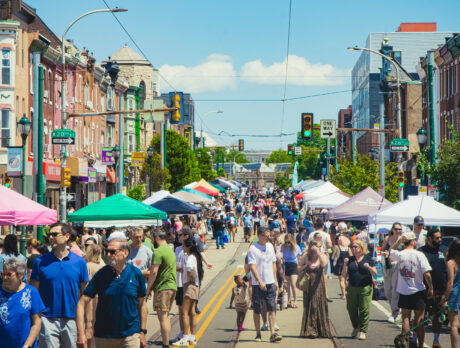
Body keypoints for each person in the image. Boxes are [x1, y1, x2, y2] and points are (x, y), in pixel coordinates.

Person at [76, 238, 147, 348]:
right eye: (107, 251)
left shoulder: (135, 273)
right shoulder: (101, 274)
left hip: (130, 336)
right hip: (104, 337)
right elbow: (81, 303)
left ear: (125, 253)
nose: (108, 255)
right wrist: (81, 333)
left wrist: (142, 331)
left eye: (113, 251)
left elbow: (142, 304)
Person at [30, 222, 89, 348]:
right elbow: (34, 292)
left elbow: (86, 295)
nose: (51, 237)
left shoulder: (79, 262)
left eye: (55, 234)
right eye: (49, 235)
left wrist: (86, 325)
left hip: (72, 318)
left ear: (67, 236)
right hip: (47, 318)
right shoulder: (40, 262)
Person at [388, 232, 433, 348]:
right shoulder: (419, 255)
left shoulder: (401, 254)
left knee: (405, 318)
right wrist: (431, 288)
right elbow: (427, 274)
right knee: (419, 321)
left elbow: (390, 252)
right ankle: (421, 345)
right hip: (418, 290)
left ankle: (406, 344)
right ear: (413, 241)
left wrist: (398, 242)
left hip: (404, 290)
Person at [0, 257, 45, 348]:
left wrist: (27, 345)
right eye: (2, 273)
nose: (4, 277)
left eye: (9, 274)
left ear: (20, 275)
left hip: (24, 344)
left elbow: (37, 322)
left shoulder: (31, 292)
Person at [247, 227, 282, 343]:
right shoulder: (253, 249)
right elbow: (252, 266)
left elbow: (273, 263)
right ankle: (258, 334)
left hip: (270, 282)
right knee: (257, 309)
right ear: (260, 236)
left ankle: (272, 333)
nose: (268, 238)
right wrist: (260, 281)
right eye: (266, 236)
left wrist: (275, 280)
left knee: (272, 308)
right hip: (258, 284)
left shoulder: (270, 246)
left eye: (269, 235)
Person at [146, 229, 177, 348]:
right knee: (166, 316)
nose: (151, 241)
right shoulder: (169, 249)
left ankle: (165, 344)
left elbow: (154, 272)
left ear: (157, 238)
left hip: (163, 287)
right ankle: (166, 342)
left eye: (152, 238)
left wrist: (148, 288)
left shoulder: (158, 251)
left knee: (162, 317)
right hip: (171, 286)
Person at [342, 240, 377, 340]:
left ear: (361, 247)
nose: (354, 249)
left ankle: (363, 330)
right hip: (352, 287)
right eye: (352, 247)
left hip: (365, 287)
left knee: (364, 309)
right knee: (351, 309)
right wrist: (345, 264)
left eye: (356, 247)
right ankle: (356, 327)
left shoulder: (368, 258)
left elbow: (375, 273)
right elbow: (344, 274)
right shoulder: (350, 259)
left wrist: (369, 267)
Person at [418, 228, 447, 348]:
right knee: (420, 317)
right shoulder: (421, 252)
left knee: (437, 318)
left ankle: (436, 340)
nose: (440, 240)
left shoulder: (444, 250)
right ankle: (416, 340)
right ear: (429, 239)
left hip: (440, 290)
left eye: (440, 237)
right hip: (424, 289)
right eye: (437, 238)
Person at [172, 238, 204, 346]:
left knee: (184, 313)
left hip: (189, 285)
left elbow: (189, 269)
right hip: (196, 286)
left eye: (184, 246)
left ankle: (185, 337)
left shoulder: (190, 257)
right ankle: (192, 337)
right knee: (192, 312)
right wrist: (182, 270)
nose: (182, 248)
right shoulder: (195, 257)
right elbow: (189, 269)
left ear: (188, 247)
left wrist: (189, 277)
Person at [298, 240, 332, 338]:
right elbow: (299, 268)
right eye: (316, 246)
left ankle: (319, 329)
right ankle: (310, 329)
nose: (317, 247)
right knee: (310, 305)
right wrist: (306, 265)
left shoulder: (322, 255)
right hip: (308, 283)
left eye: (319, 246)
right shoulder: (305, 256)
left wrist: (319, 252)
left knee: (317, 304)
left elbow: (324, 264)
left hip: (318, 283)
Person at [83, 244, 105, 348]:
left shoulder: (87, 266)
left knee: (89, 325)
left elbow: (86, 286)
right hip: (102, 299)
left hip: (91, 300)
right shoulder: (103, 266)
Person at [381, 222, 403, 322]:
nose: (398, 231)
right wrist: (384, 253)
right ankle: (395, 309)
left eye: (400, 229)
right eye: (396, 229)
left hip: (398, 265)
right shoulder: (387, 239)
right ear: (392, 229)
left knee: (395, 289)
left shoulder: (402, 240)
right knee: (387, 290)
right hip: (387, 265)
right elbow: (381, 250)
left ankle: (395, 311)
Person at [307, 218, 332, 302]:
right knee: (324, 274)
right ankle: (325, 293)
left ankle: (313, 292)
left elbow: (308, 244)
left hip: (312, 255)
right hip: (323, 255)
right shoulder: (326, 235)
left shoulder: (311, 234)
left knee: (312, 273)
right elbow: (329, 246)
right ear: (323, 226)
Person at [444, 238, 460, 348]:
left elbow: (450, 282)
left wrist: (445, 299)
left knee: (454, 324)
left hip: (454, 293)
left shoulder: (451, 263)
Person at [280, 234, 301, 308]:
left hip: (293, 265)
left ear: (292, 242)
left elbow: (299, 257)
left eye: (289, 242)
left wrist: (299, 266)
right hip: (286, 265)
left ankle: (295, 301)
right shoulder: (283, 247)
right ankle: (288, 300)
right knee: (287, 285)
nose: (287, 244)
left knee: (293, 284)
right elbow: (280, 254)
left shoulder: (296, 247)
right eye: (286, 242)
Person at [332, 228, 350, 300]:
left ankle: (343, 295)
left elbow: (333, 257)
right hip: (347, 265)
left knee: (341, 280)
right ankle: (346, 292)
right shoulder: (349, 248)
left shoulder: (337, 247)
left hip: (339, 265)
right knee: (346, 279)